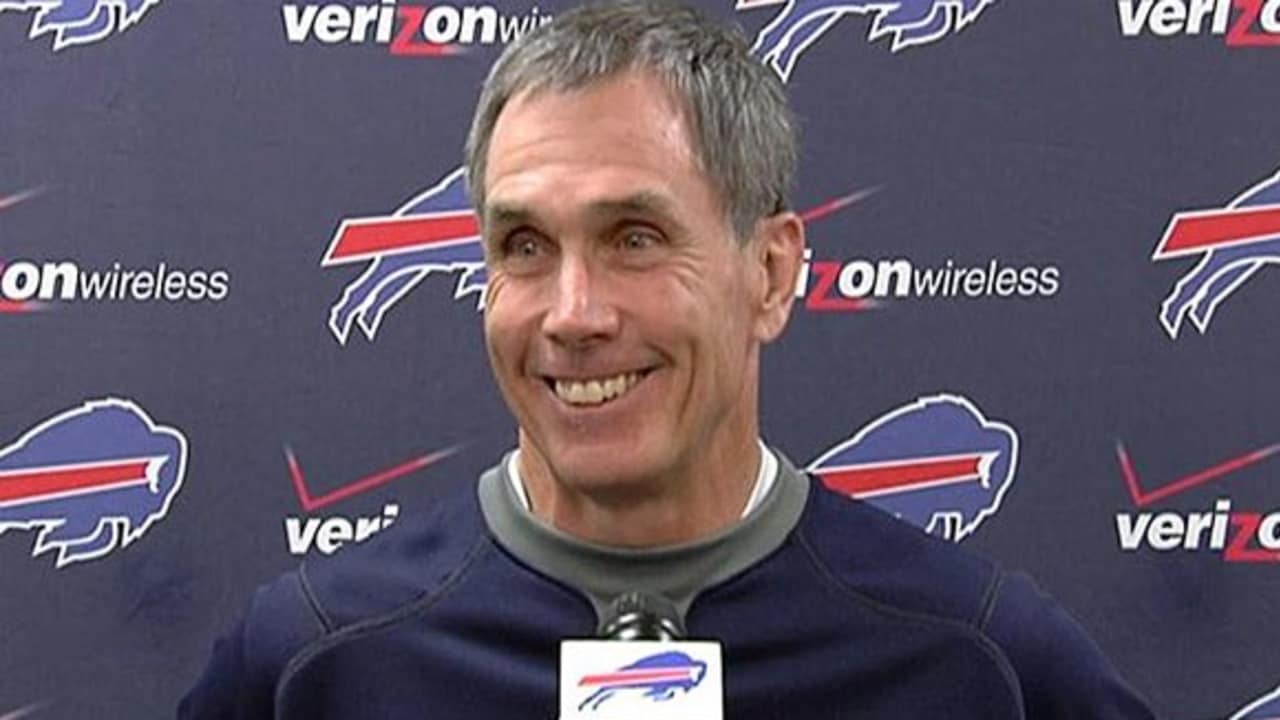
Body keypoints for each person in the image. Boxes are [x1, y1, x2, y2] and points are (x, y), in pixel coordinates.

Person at [180, 1, 1155, 717]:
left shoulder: (980, 660)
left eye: (634, 238)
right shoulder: (314, 661)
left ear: (769, 275)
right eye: (524, 247)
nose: (572, 314)